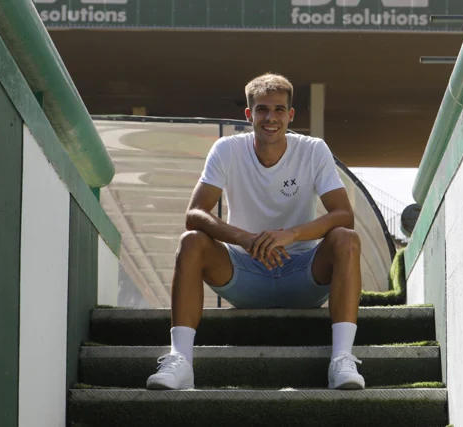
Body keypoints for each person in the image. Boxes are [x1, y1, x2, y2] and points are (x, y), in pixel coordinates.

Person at [146, 73, 365, 390]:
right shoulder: (227, 149)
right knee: (191, 241)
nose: (270, 118)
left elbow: (344, 214)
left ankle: (342, 359)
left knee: (346, 238)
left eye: (279, 110)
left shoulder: (314, 149)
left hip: (302, 274)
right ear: (248, 115)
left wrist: (291, 234)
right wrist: (245, 239)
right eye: (262, 109)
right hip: (245, 274)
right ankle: (180, 361)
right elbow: (195, 213)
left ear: (290, 115)